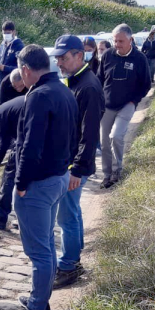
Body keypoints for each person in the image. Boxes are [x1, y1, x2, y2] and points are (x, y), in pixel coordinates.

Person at [4, 44, 77, 310]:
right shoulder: (65, 91)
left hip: (38, 183)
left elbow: (29, 146)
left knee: (39, 250)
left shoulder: (38, 97)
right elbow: (77, 135)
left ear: (25, 70)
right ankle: (40, 297)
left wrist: (21, 183)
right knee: (46, 241)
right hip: (59, 177)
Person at [49, 35, 103, 289]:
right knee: (73, 212)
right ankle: (75, 254)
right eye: (57, 58)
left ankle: (69, 266)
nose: (59, 62)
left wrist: (77, 169)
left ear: (79, 56)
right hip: (69, 160)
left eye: (64, 57)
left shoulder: (88, 87)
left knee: (66, 217)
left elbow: (89, 133)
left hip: (74, 165)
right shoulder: (74, 80)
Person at [96, 24, 151, 188]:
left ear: (130, 40)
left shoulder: (139, 59)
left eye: (120, 41)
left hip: (127, 104)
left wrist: (134, 101)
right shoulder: (108, 55)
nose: (117, 44)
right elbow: (99, 79)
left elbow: (145, 84)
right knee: (104, 141)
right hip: (107, 105)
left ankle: (117, 170)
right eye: (115, 41)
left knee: (116, 136)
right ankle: (107, 175)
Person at [0, 93, 25, 230]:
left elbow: (2, 144)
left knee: (9, 178)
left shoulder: (0, 115)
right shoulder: (12, 108)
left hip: (24, 144)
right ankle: (25, 220)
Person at [0, 21, 24, 90]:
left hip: (12, 84)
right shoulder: (3, 44)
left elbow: (21, 68)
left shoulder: (19, 46)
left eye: (8, 33)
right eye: (4, 33)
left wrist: (5, 68)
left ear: (14, 32)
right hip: (0, 82)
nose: (6, 35)